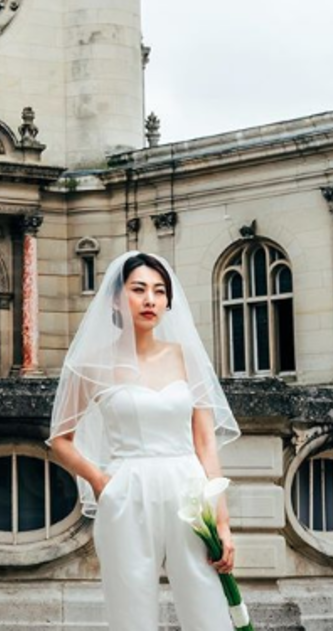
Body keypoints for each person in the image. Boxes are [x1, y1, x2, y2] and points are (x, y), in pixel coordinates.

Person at [49, 252, 240, 631]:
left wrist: (222, 522)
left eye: (159, 291)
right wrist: (101, 481)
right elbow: (60, 440)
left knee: (208, 607)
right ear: (116, 299)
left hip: (189, 493)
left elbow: (205, 443)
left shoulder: (187, 358)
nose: (150, 299)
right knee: (130, 611)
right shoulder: (92, 366)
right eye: (138, 289)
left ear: (169, 301)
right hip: (127, 493)